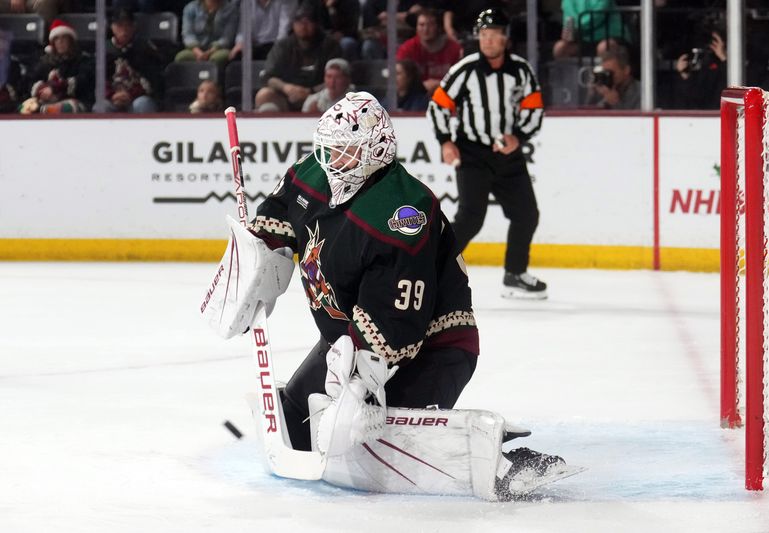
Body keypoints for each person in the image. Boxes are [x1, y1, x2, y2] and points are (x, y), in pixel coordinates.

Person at [202, 91, 570, 500]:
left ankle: (507, 464)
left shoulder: (402, 213)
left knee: (368, 434)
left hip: (433, 346)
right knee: (295, 425)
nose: (330, 160)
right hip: (345, 338)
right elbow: (281, 212)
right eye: (326, 149)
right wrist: (256, 257)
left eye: (343, 152)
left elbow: (397, 325)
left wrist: (357, 386)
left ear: (375, 151)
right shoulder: (315, 171)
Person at [427, 8, 547, 299]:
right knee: (470, 217)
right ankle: (432, 270)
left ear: (505, 38)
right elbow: (439, 105)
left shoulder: (521, 70)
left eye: (494, 35)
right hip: (472, 154)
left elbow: (534, 110)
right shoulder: (465, 69)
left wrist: (517, 137)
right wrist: (445, 141)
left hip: (508, 155)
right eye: (483, 35)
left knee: (527, 214)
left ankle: (515, 274)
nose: (488, 40)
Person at [254, 3, 341, 112]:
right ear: (293, 24)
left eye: (308, 21)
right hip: (287, 95)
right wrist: (286, 88)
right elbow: (268, 76)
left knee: (328, 95)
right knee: (264, 95)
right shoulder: (283, 46)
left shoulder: (329, 45)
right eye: (299, 22)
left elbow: (340, 78)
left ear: (316, 23)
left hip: (319, 96)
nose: (303, 26)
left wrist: (310, 91)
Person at [93, 7, 161, 114]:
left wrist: (130, 94)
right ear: (112, 27)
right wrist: (112, 95)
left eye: (128, 25)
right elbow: (97, 80)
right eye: (120, 25)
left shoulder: (144, 49)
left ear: (133, 27)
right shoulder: (103, 50)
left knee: (142, 104)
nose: (124, 30)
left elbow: (153, 81)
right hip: (112, 98)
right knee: (101, 107)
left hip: (138, 98)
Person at [20, 19, 94, 114]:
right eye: (57, 39)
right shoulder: (45, 62)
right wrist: (41, 91)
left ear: (70, 41)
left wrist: (55, 89)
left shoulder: (82, 60)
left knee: (60, 109)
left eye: (64, 38)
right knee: (24, 108)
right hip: (46, 101)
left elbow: (83, 81)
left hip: (76, 100)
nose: (60, 42)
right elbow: (30, 81)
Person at [396, 8, 462, 95]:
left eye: (430, 25)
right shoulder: (407, 48)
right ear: (416, 27)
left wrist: (440, 85)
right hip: (415, 97)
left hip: (447, 95)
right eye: (421, 25)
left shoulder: (454, 48)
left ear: (438, 27)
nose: (426, 29)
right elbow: (398, 81)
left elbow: (461, 80)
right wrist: (420, 87)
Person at [552, 0, 629, 59]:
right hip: (582, 38)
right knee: (560, 48)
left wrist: (577, 27)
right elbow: (569, 15)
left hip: (610, 34)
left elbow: (598, 16)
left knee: (604, 47)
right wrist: (569, 32)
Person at [175, 0, 239, 69]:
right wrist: (198, 52)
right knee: (182, 57)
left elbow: (227, 37)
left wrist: (211, 51)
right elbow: (188, 34)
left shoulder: (231, 9)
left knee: (219, 58)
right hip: (196, 49)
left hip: (219, 49)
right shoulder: (190, 8)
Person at [228, 0, 298, 61]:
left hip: (276, 44)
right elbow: (243, 28)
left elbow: (284, 29)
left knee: (281, 55)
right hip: (254, 45)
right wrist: (240, 42)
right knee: (236, 56)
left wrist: (277, 49)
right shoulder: (246, 2)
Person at [584, 44, 640, 110]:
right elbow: (586, 116)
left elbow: (637, 119)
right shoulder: (602, 90)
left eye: (610, 72)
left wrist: (615, 103)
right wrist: (591, 95)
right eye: (604, 72)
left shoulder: (641, 93)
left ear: (626, 70)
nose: (607, 76)